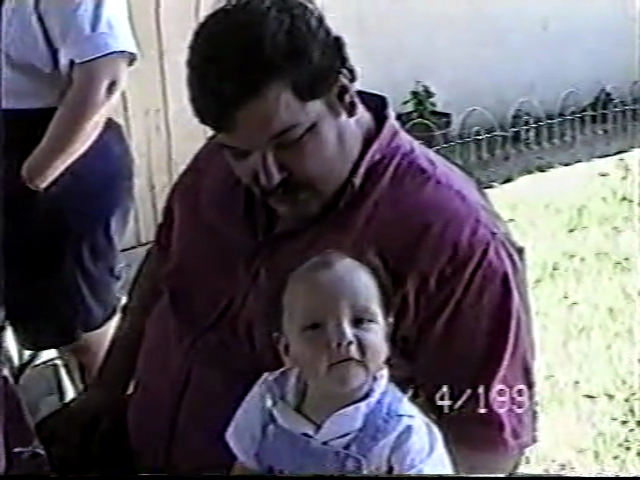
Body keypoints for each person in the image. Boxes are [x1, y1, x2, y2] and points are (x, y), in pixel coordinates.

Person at [36, 0, 536, 475]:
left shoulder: (453, 240)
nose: (265, 175)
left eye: (289, 141)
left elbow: (486, 449)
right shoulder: (217, 167)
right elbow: (163, 272)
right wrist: (106, 391)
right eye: (239, 152)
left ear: (343, 94)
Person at [1, 0, 139, 384]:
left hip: (57, 158)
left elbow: (104, 78)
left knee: (84, 322)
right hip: (13, 150)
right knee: (36, 307)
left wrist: (30, 180)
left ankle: (114, 406)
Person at [226, 250, 454, 475]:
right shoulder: (267, 400)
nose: (343, 338)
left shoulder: (404, 431)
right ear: (287, 349)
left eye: (361, 321)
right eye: (315, 327)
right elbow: (246, 466)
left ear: (386, 332)